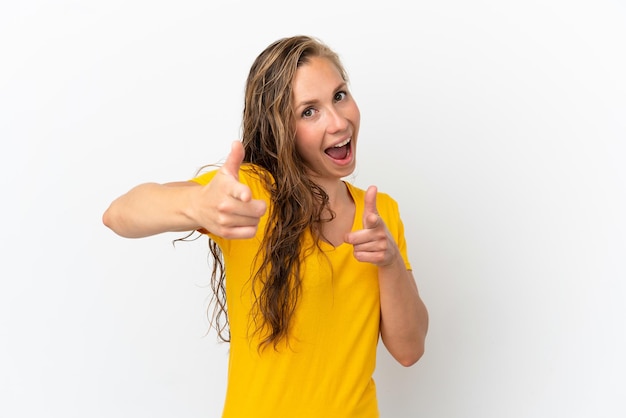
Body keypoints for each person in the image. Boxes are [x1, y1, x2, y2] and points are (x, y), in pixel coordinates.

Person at [103, 35, 428, 418]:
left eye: (339, 96)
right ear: (279, 128)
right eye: (309, 111)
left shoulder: (381, 213)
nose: (339, 122)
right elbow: (119, 214)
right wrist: (197, 205)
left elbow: (409, 350)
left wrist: (389, 262)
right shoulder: (253, 193)